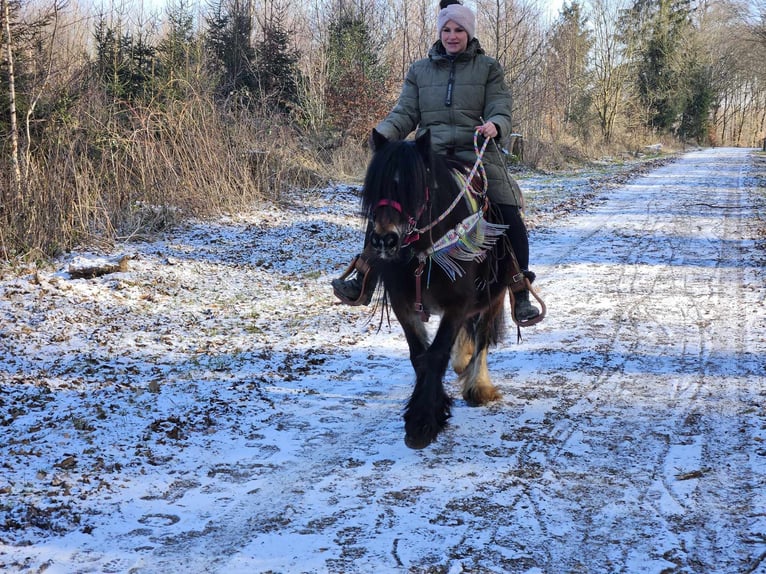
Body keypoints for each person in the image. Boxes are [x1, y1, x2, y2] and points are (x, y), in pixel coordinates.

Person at [332, 0, 540, 322]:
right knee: (386, 204)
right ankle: (363, 277)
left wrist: (496, 125)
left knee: (508, 207)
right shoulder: (419, 70)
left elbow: (501, 105)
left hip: (476, 154)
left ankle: (519, 288)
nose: (452, 36)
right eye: (446, 29)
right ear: (439, 32)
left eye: (458, 30)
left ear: (468, 34)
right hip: (428, 155)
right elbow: (405, 113)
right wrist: (383, 134)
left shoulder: (488, 68)